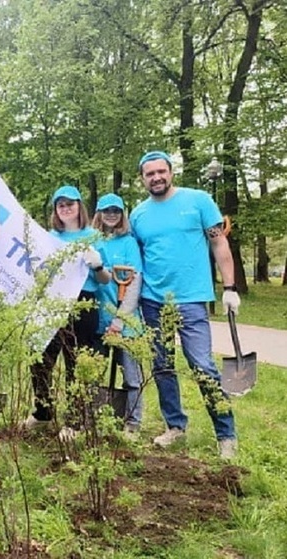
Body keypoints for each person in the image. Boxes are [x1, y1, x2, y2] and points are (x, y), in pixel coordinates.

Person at [130, 151, 239, 459]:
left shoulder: (199, 200)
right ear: (143, 178)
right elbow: (135, 258)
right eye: (149, 174)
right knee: (162, 367)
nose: (156, 177)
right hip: (153, 302)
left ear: (171, 172)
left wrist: (229, 287)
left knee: (203, 366)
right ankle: (175, 427)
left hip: (191, 299)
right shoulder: (138, 215)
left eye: (161, 171)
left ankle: (226, 434)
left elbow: (219, 243)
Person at [23, 185, 111, 440]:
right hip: (53, 304)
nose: (66, 208)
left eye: (70, 204)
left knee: (76, 363)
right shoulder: (48, 238)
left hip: (84, 303)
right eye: (60, 205)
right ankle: (43, 411)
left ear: (79, 207)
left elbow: (105, 280)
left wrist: (98, 266)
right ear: (56, 210)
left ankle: (75, 420)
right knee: (40, 359)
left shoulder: (93, 237)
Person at [91, 193, 144, 435]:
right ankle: (92, 417)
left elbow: (134, 283)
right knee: (92, 372)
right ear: (99, 214)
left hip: (125, 320)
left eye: (116, 210)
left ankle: (132, 423)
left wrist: (120, 320)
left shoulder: (129, 242)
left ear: (122, 214)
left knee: (131, 376)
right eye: (106, 210)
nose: (111, 214)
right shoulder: (92, 241)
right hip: (98, 318)